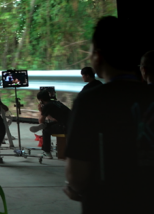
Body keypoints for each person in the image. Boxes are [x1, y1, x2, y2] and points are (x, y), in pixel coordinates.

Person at [64, 16, 154, 213]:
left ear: (98, 56)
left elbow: (76, 176)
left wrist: (75, 188)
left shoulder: (89, 101)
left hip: (106, 204)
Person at [29, 89, 70, 159]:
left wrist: (41, 111)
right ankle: (45, 125)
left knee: (45, 131)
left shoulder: (47, 106)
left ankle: (47, 152)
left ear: (41, 99)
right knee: (51, 124)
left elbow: (41, 120)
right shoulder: (57, 103)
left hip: (64, 127)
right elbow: (55, 118)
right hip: (70, 124)